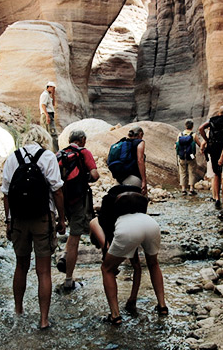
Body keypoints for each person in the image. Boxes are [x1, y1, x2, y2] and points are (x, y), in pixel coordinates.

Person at [1, 127, 66, 329]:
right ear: (43, 140)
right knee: (44, 271)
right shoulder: (47, 156)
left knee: (21, 266)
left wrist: (8, 221)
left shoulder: (13, 157)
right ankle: (44, 320)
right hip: (42, 218)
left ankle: (18, 311)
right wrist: (61, 219)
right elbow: (57, 191)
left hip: (19, 219)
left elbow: (6, 194)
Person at [96, 191, 168, 325]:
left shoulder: (110, 218)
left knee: (107, 269)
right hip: (151, 225)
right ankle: (162, 306)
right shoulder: (142, 213)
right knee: (153, 264)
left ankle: (115, 315)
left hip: (128, 231)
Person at [56, 130, 100, 291]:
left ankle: (64, 255)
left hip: (61, 200)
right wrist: (83, 178)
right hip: (78, 200)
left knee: (72, 230)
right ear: (82, 140)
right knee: (75, 236)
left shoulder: (59, 154)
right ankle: (69, 280)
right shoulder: (83, 152)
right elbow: (95, 175)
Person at [198, 106, 223, 209]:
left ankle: (217, 198)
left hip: (213, 149)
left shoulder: (212, 120)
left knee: (216, 175)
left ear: (218, 112)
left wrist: (207, 139)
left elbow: (201, 128)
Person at [175, 119, 202, 195]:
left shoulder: (180, 134)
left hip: (182, 156)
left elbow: (176, 145)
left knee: (182, 172)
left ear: (185, 126)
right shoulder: (193, 135)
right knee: (192, 171)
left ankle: (183, 189)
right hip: (191, 156)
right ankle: (191, 189)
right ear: (192, 126)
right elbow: (199, 144)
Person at [118, 126, 147, 196]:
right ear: (140, 134)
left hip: (119, 179)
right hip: (134, 179)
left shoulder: (123, 142)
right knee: (139, 204)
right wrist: (144, 180)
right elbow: (140, 160)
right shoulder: (140, 142)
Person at [39, 81, 59, 152]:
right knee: (52, 133)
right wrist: (47, 116)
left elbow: (53, 104)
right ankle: (54, 151)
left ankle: (51, 150)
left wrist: (53, 95)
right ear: (49, 87)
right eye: (53, 88)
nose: (54, 90)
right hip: (47, 114)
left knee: (50, 133)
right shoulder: (45, 95)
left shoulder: (48, 95)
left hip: (48, 114)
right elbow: (43, 105)